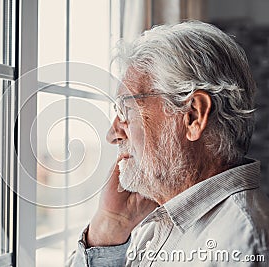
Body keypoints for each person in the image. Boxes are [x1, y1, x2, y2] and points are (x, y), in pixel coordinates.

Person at [67, 20, 269, 266]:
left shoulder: (240, 243)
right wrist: (110, 227)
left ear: (193, 115)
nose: (113, 134)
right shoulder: (153, 219)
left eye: (126, 109)